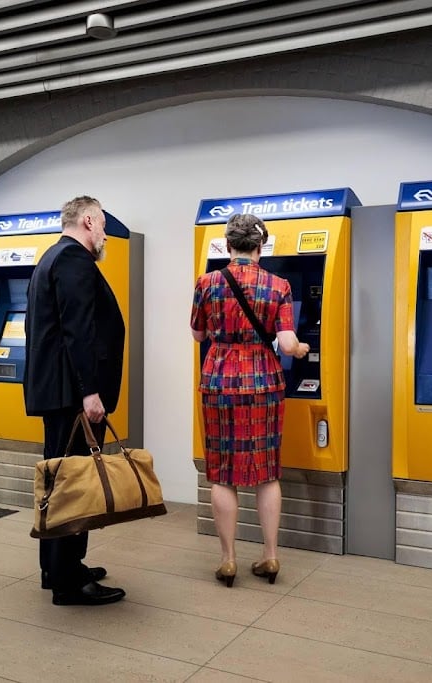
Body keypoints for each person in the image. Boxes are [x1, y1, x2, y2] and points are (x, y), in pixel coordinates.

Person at [190, 213, 309, 587]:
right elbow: (287, 343)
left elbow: (197, 334)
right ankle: (270, 556)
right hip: (264, 381)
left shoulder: (207, 283)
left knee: (223, 474)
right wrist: (302, 348)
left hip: (221, 379)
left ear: (228, 245)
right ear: (262, 245)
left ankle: (228, 561)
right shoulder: (279, 286)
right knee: (267, 470)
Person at [23, 195, 126, 606]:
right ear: (88, 221)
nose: (104, 234)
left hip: (59, 392)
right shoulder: (73, 260)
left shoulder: (50, 257)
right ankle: (69, 580)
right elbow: (78, 331)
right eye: (101, 225)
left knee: (59, 481)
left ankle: (57, 567)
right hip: (72, 395)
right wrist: (89, 391)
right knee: (74, 484)